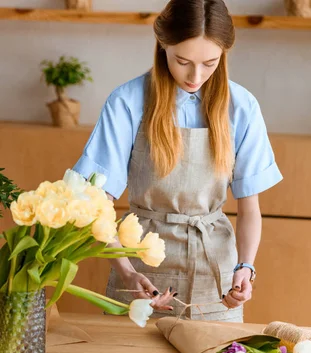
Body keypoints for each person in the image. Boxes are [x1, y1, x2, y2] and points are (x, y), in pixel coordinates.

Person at [72, 0, 282, 322]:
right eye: (182, 61)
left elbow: (249, 207)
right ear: (163, 45)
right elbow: (97, 202)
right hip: (140, 265)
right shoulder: (127, 102)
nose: (195, 76)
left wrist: (246, 267)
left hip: (216, 277)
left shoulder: (242, 107)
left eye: (210, 63)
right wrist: (127, 273)